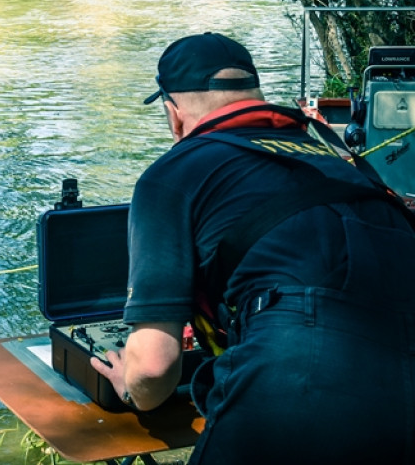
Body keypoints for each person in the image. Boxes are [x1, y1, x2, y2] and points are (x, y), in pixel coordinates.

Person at [90, 32, 415, 463]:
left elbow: (153, 367)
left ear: (173, 112)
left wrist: (133, 388)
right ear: (254, 94)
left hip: (297, 362)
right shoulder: (336, 156)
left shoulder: (174, 173)